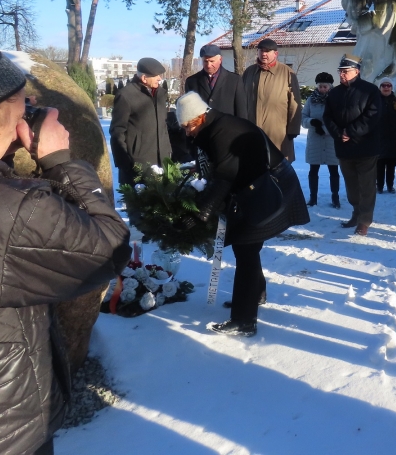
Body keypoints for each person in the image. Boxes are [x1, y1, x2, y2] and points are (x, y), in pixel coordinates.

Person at [0, 18, 130, 455]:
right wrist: (60, 161)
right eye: (21, 103)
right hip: (0, 434)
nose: (29, 110)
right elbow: (108, 250)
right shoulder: (3, 209)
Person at [174, 92, 309, 336]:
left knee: (246, 249)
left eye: (188, 126)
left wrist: (197, 215)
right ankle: (255, 294)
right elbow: (225, 165)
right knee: (247, 248)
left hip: (270, 186)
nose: (188, 133)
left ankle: (244, 320)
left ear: (199, 117)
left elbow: (224, 179)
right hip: (256, 186)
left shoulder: (223, 130)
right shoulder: (216, 126)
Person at [324, 54, 383, 236]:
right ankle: (356, 213)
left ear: (356, 71)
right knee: (351, 186)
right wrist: (338, 133)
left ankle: (364, 220)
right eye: (340, 71)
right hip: (344, 148)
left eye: (346, 71)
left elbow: (372, 116)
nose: (342, 74)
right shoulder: (334, 93)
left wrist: (350, 132)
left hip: (366, 147)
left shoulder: (370, 90)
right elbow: (327, 116)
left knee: (366, 185)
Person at [109, 57, 170, 186]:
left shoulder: (160, 93)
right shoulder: (126, 95)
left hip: (163, 162)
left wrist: (168, 151)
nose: (160, 78)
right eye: (156, 76)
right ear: (144, 78)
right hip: (137, 165)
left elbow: (163, 125)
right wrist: (124, 164)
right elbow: (117, 131)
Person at [242, 38, 303, 162]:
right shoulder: (249, 72)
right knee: (253, 166)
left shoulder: (286, 73)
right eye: (261, 50)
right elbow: (241, 100)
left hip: (277, 133)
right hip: (252, 130)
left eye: (267, 51)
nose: (264, 54)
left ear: (275, 54)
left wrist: (293, 129)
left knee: (277, 167)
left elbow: (294, 104)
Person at [302, 72, 341, 208]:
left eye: (325, 87)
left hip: (331, 141)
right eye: (320, 86)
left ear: (330, 87)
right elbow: (303, 118)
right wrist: (312, 122)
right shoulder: (311, 100)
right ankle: (313, 197)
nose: (322, 89)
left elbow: (339, 121)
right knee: (313, 170)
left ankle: (335, 197)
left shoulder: (336, 100)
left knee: (334, 170)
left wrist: (324, 129)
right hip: (315, 140)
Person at [184, 43, 247, 117]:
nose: (208, 65)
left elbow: (241, 112)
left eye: (212, 61)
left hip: (226, 124)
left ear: (220, 59)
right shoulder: (191, 81)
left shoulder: (235, 80)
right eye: (205, 61)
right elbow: (189, 112)